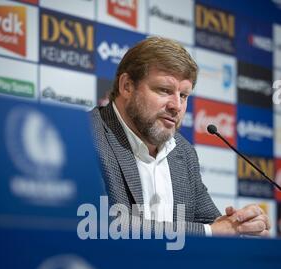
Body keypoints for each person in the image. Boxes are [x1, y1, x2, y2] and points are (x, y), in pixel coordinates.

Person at [90, 36, 270, 236]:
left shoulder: (183, 150)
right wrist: (212, 231)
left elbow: (209, 222)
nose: (176, 106)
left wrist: (240, 225)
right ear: (127, 86)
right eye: (165, 90)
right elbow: (103, 223)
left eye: (183, 95)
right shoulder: (87, 135)